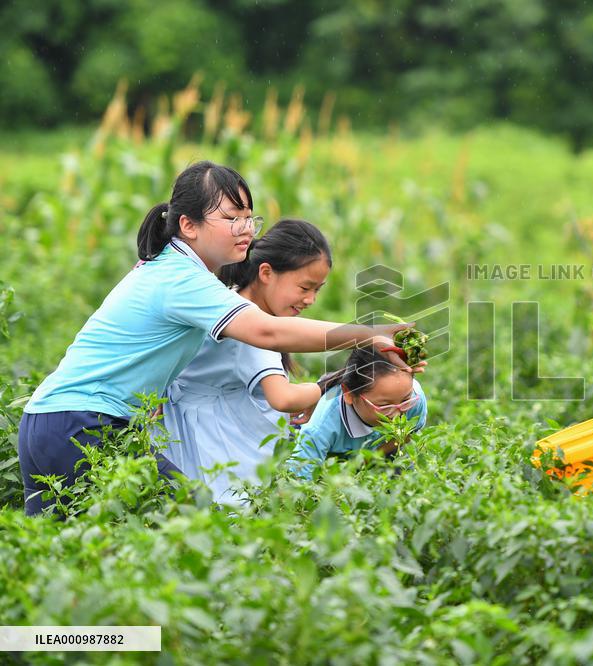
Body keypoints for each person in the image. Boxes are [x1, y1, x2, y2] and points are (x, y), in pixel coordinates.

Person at [18, 161, 411, 515]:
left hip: (48, 420)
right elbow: (267, 330)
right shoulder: (181, 278)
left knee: (73, 559)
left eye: (248, 219)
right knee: (195, 526)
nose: (245, 230)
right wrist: (367, 335)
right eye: (231, 218)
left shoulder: (172, 270)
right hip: (83, 425)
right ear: (188, 225)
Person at [162, 219, 333, 502]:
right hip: (212, 455)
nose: (311, 299)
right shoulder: (251, 326)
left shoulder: (231, 303)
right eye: (305, 287)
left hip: (195, 442)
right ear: (266, 273)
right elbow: (283, 398)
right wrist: (327, 385)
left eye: (318, 290)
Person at [293, 345, 428, 475]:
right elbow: (300, 477)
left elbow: (408, 435)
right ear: (349, 394)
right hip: (326, 457)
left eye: (405, 401)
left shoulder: (415, 400)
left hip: (374, 454)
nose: (398, 414)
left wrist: (366, 461)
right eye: (385, 405)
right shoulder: (323, 424)